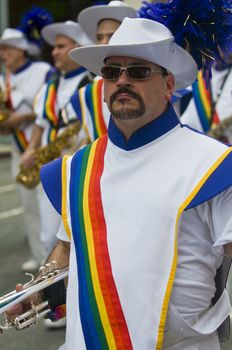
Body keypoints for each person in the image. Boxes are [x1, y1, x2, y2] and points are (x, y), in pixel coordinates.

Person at [6, 13, 232, 350]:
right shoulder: (77, 167)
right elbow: (67, 247)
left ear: (168, 86)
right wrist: (38, 288)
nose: (122, 81)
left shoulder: (211, 165)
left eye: (139, 72)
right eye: (112, 72)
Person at [20, 21, 93, 258]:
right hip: (51, 166)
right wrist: (31, 149)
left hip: (81, 168)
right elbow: (42, 122)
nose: (54, 52)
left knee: (78, 235)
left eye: (61, 46)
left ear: (77, 47)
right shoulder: (50, 85)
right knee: (48, 235)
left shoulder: (92, 82)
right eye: (53, 47)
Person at [0, 27, 53, 272]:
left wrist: (23, 117)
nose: (3, 54)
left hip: (42, 147)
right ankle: (37, 254)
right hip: (18, 148)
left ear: (21, 50)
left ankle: (52, 257)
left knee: (48, 204)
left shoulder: (42, 71)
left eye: (7, 49)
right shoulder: (4, 78)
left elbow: (49, 107)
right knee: (29, 204)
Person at [67, 0, 137, 142]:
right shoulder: (84, 94)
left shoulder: (150, 82)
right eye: (99, 37)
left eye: (111, 35)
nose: (104, 43)